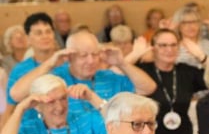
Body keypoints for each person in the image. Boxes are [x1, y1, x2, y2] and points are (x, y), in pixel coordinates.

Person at [10, 30, 156, 116]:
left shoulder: (108, 76)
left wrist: (122, 63)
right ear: (69, 56)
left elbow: (148, 88)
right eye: (83, 55)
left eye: (95, 54)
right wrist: (50, 63)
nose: (91, 61)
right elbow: (16, 95)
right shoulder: (55, 78)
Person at [138, 29, 207, 134]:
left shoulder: (186, 71)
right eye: (163, 45)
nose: (169, 49)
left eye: (173, 45)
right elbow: (117, 72)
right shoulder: (143, 71)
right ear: (153, 48)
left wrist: (202, 56)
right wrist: (137, 54)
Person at [6, 13, 57, 107]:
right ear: (28, 38)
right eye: (39, 33)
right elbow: (9, 107)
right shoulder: (19, 70)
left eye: (48, 32)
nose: (45, 36)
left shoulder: (68, 64)